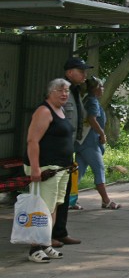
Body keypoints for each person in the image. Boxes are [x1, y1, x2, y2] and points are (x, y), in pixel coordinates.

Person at [23, 78, 75, 263]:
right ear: (49, 92)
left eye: (67, 91)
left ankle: (46, 243)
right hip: (46, 168)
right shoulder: (44, 111)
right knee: (42, 209)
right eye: (60, 90)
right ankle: (34, 248)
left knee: (53, 207)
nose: (64, 94)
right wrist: (35, 168)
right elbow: (32, 141)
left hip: (60, 168)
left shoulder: (60, 111)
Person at [51, 57, 92, 247]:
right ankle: (47, 235)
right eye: (81, 70)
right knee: (52, 196)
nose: (85, 74)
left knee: (64, 193)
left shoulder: (75, 91)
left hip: (69, 149)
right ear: (69, 73)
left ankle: (60, 232)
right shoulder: (59, 92)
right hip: (56, 150)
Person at [74, 76, 120, 209]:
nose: (103, 89)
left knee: (78, 172)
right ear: (96, 88)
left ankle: (71, 200)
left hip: (81, 142)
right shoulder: (93, 101)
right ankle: (106, 201)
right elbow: (92, 119)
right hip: (90, 142)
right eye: (101, 86)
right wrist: (102, 133)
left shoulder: (86, 99)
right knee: (99, 169)